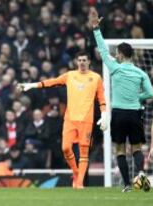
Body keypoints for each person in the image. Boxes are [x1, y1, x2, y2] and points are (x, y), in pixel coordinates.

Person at [18, 50, 108, 189]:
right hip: (70, 119)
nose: (82, 63)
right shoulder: (70, 75)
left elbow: (102, 99)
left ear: (89, 62)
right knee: (66, 148)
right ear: (76, 62)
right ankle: (76, 173)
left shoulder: (96, 78)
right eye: (80, 60)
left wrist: (104, 115)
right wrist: (32, 85)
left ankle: (79, 183)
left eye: (85, 60)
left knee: (84, 152)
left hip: (86, 120)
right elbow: (52, 82)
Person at [89, 8, 153, 192]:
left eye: (117, 53)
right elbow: (150, 93)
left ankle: (127, 185)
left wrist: (96, 29)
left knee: (119, 150)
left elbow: (102, 49)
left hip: (118, 112)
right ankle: (140, 172)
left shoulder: (115, 68)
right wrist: (136, 97)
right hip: (135, 113)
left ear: (122, 55)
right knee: (136, 148)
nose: (115, 55)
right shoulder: (141, 72)